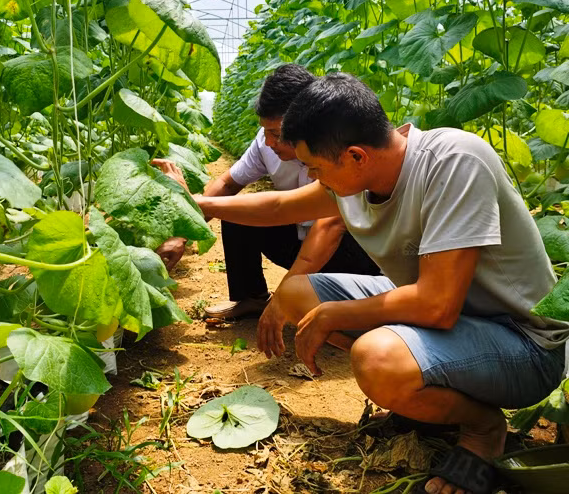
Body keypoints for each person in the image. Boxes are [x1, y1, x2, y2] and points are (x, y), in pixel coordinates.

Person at [194, 72, 569, 494]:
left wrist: (337, 312)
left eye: (316, 168)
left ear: (356, 156)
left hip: (522, 345)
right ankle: (425, 391)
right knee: (297, 292)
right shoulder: (360, 175)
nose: (314, 179)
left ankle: (482, 429)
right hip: (455, 324)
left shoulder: (453, 162)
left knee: (376, 359)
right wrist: (198, 205)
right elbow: (279, 204)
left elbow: (436, 306)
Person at [155, 64, 378, 322]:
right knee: (237, 212)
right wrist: (182, 234)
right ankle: (251, 298)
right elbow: (229, 184)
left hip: (350, 251)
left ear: (308, 122)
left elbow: (326, 229)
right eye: (266, 131)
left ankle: (357, 306)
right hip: (299, 240)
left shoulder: (339, 151)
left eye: (277, 133)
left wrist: (286, 295)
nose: (269, 141)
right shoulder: (266, 143)